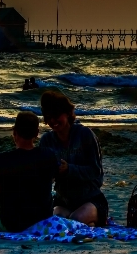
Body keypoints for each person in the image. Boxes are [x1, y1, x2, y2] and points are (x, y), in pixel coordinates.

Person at [0, 111, 58, 233]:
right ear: (37, 134)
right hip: (42, 221)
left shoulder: (3, 160)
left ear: (14, 132)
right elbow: (51, 180)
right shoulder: (49, 155)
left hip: (11, 225)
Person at [39, 91, 108, 227]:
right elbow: (43, 178)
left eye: (56, 116)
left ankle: (92, 221)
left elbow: (95, 171)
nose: (53, 121)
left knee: (75, 219)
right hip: (63, 201)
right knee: (57, 222)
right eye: (49, 117)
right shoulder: (46, 141)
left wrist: (69, 169)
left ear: (67, 113)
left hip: (91, 199)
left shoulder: (85, 135)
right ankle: (90, 224)